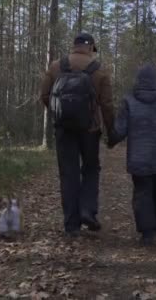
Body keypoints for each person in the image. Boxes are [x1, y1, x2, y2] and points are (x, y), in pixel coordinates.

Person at [40, 33, 115, 237]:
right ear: (90, 47)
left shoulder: (57, 66)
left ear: (74, 46)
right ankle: (87, 210)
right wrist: (111, 131)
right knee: (91, 169)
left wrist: (60, 114)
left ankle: (71, 225)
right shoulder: (99, 70)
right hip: (90, 130)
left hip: (64, 130)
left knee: (68, 174)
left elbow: (44, 95)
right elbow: (107, 105)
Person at [109, 64, 156, 246]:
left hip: (138, 158)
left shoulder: (129, 101)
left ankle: (147, 233)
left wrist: (109, 139)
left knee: (142, 192)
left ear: (138, 81)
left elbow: (120, 130)